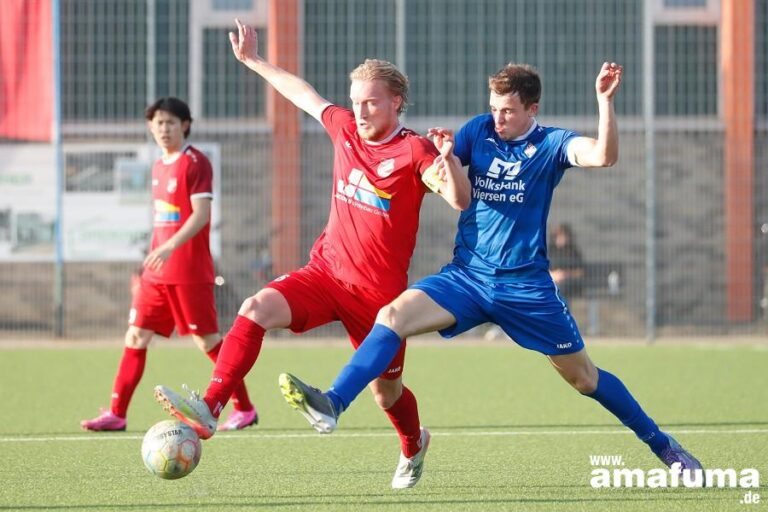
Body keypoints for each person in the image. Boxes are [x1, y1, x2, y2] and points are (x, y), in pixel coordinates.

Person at [278, 63, 704, 481]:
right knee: (392, 316)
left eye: (508, 111)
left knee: (584, 378)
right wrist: (446, 156)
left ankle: (663, 445)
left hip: (526, 288)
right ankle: (333, 401)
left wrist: (604, 102)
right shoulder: (478, 131)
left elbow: (603, 156)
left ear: (532, 110)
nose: (498, 118)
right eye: (494, 108)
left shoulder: (552, 144)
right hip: (467, 278)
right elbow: (448, 185)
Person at [153, 20, 470, 489]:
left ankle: (413, 444)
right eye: (356, 101)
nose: (360, 111)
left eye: (371, 102)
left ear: (396, 102)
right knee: (255, 308)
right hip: (324, 274)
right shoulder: (344, 129)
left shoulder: (415, 150)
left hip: (378, 300)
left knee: (387, 394)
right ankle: (212, 406)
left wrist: (449, 161)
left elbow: (459, 200)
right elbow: (302, 93)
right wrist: (254, 61)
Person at [81, 97, 257, 433]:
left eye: (171, 123)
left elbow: (201, 215)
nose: (164, 129)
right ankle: (117, 413)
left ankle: (245, 409)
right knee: (136, 335)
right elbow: (163, 221)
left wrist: (170, 246)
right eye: (158, 123)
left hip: (189, 271)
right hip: (156, 274)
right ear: (151, 127)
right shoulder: (158, 166)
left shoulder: (196, 163)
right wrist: (152, 258)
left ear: (184, 125)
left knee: (207, 340)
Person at [548, 222, 585, 301]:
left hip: (570, 284)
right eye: (558, 236)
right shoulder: (550, 251)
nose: (561, 239)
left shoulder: (574, 252)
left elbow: (581, 272)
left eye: (563, 236)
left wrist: (566, 274)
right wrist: (554, 275)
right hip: (553, 281)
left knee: (561, 288)